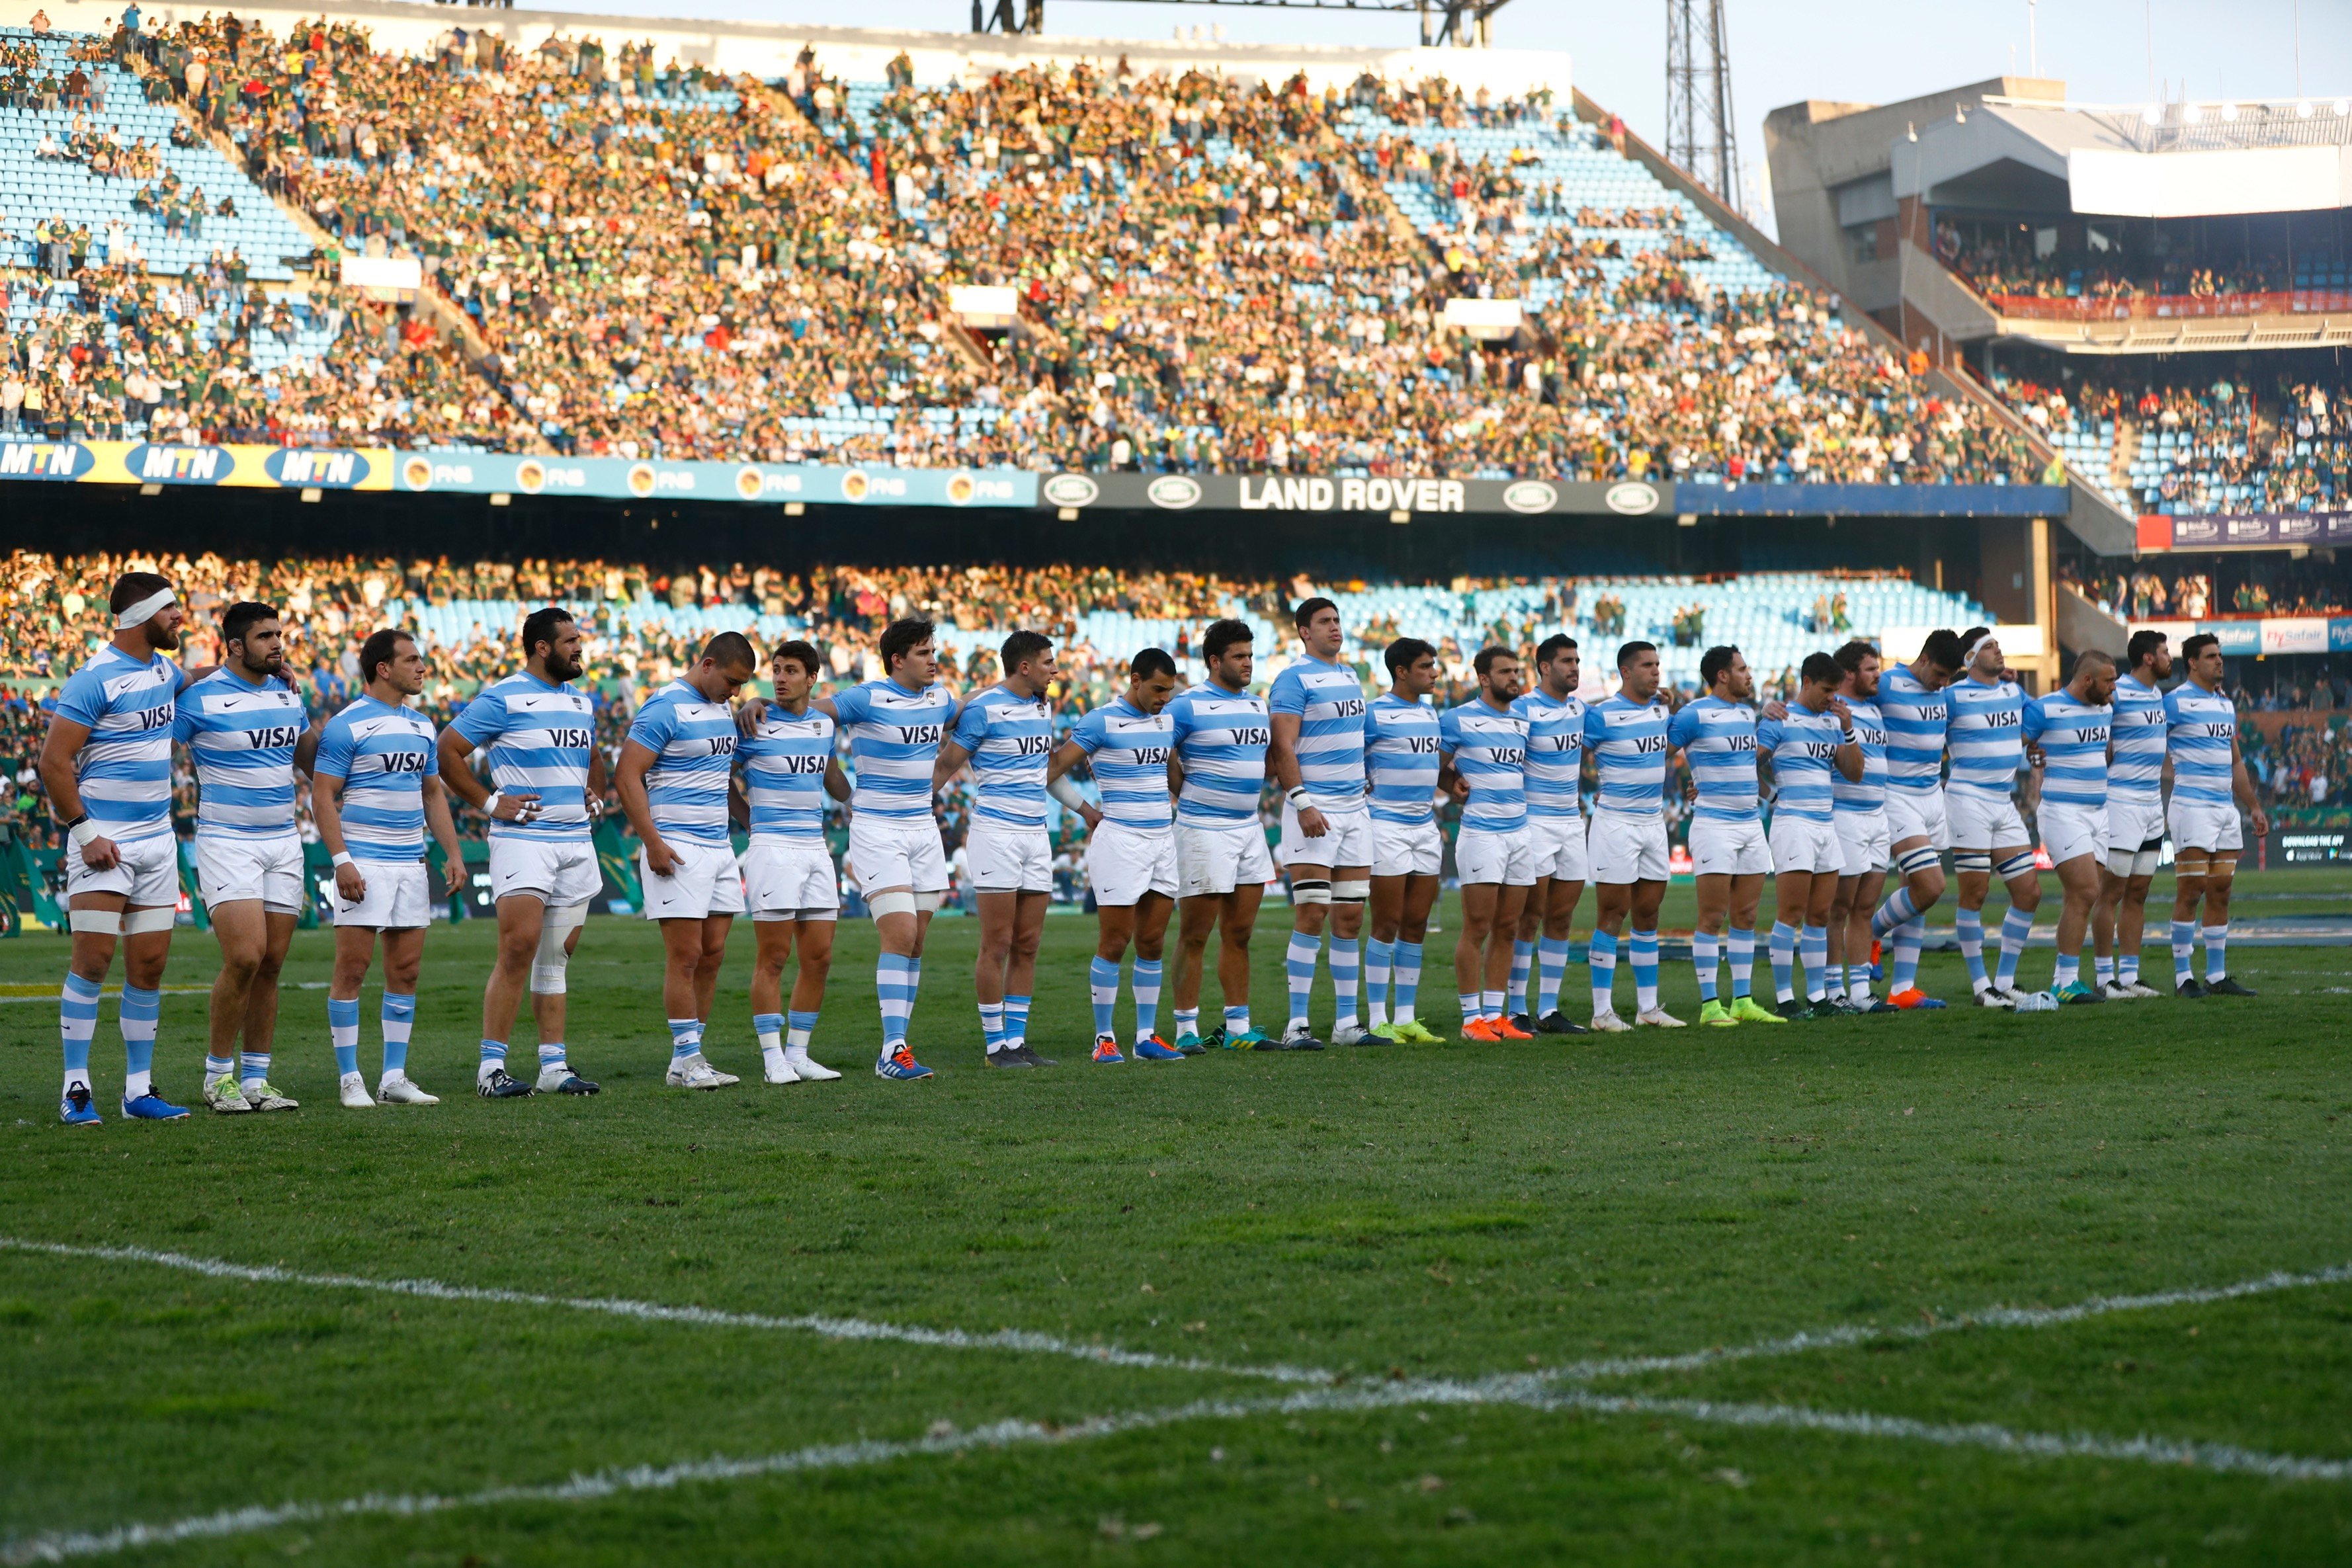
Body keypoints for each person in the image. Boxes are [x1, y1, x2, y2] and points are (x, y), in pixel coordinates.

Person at [38, 571, 200, 1124]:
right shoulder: (94, 678)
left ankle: (137, 1092)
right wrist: (86, 835)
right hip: (103, 841)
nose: (180, 616)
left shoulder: (163, 667)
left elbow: (187, 683)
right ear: (140, 616)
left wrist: (254, 673)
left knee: (149, 967)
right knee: (93, 961)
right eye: (171, 608)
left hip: (158, 842)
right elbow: (52, 763)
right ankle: (77, 1088)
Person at [438, 606, 606, 1098]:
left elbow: (593, 756)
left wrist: (592, 791)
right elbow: (448, 749)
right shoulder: (503, 698)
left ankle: (554, 1066)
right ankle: (491, 1069)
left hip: (576, 841)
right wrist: (491, 802)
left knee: (556, 956)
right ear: (542, 647)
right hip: (525, 841)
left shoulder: (581, 702)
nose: (580, 648)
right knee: (518, 948)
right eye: (571, 640)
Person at [305, 628, 470, 1108]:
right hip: (365, 861)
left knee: (406, 970)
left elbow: (433, 792)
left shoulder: (422, 726)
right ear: (384, 668)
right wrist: (343, 861)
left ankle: (393, 1076)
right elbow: (322, 795)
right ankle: (350, 1077)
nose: (422, 668)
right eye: (413, 660)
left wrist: (453, 853)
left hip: (410, 862)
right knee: (352, 969)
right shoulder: (347, 725)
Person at [176, 602, 309, 1113]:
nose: (277, 644)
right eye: (264, 637)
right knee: (246, 955)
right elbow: (154, 745)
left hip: (283, 840)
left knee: (272, 963)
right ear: (234, 647)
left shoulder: (286, 693)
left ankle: (256, 1080)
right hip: (226, 840)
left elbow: (311, 756)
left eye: (279, 634)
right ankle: (218, 1076)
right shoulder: (198, 699)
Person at [614, 632, 759, 1089]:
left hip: (719, 847)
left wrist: (750, 820)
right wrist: (652, 842)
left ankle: (688, 1059)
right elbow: (626, 774)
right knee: (686, 955)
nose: (735, 692)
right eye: (732, 681)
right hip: (675, 845)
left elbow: (722, 780)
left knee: (713, 954)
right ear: (708, 663)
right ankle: (686, 1056)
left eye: (742, 686)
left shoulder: (723, 709)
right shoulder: (665, 706)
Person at [816, 617, 958, 1079]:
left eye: (933, 650)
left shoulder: (940, 698)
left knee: (915, 942)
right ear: (897, 660)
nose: (933, 659)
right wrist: (836, 778)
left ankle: (899, 1044)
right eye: (922, 652)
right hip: (878, 828)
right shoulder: (867, 696)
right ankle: (891, 1050)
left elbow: (965, 711)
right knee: (899, 934)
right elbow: (810, 715)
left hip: (923, 829)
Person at [1050, 647, 1187, 1063]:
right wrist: (1087, 811)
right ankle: (1104, 1038)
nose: (1164, 697)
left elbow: (1171, 774)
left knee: (1152, 942)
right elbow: (1050, 769)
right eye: (1157, 689)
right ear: (1135, 680)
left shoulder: (1167, 720)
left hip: (1163, 839)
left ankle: (1146, 1037)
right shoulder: (1101, 720)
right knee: (1115, 941)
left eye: (1170, 690)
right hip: (1120, 840)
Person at [736, 640, 850, 1084]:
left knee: (819, 956)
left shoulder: (823, 725)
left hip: (814, 849)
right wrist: (747, 818)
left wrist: (860, 798)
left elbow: (832, 777)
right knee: (774, 957)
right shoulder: (755, 723)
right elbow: (719, 771)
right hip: (772, 848)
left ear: (812, 678)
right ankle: (771, 1059)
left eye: (790, 671)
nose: (780, 678)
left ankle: (798, 1053)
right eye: (776, 670)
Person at [1167, 619, 1281, 1050]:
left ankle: (1237, 1028)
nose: (1248, 663)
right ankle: (1185, 1030)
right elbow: (1163, 754)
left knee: (1240, 933)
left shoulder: (1257, 705)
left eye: (1251, 655)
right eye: (1239, 656)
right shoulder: (1187, 705)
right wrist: (1186, 793)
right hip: (1203, 829)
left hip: (1249, 828)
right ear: (1215, 661)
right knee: (1195, 934)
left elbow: (1265, 761)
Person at [1267, 597, 1371, 1048]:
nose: (1335, 628)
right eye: (1325, 622)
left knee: (1350, 918)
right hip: (1315, 809)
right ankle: (1297, 1025)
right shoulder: (1292, 678)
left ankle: (1347, 1024)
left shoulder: (1350, 675)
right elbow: (1283, 746)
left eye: (1337, 620)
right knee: (1312, 913)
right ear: (1304, 631)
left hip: (1355, 811)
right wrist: (1302, 801)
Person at [1669, 645, 1780, 1028]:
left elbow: (1743, 766)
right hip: (1714, 826)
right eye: (1742, 669)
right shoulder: (1693, 714)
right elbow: (1657, 753)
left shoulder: (1746, 713)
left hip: (1751, 824)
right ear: (1722, 675)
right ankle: (1709, 1005)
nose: (1749, 675)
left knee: (1747, 916)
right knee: (1712, 917)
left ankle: (1743, 1000)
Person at [1756, 653, 1864, 1018]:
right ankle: (1785, 999)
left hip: (1825, 824)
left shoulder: (1832, 723)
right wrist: (1772, 796)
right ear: (1806, 682)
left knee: (1819, 914)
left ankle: (1817, 997)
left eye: (1835, 691)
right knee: (1791, 913)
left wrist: (1848, 729)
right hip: (1794, 825)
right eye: (1825, 690)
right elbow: (1747, 764)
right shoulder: (1780, 719)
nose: (1831, 698)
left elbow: (1854, 773)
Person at [1582, 641, 1682, 1030]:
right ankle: (1601, 1012)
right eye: (1646, 665)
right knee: (1611, 913)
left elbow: (1663, 750)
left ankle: (1648, 1009)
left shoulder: (1661, 709)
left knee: (1649, 914)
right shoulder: (1601, 715)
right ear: (1626, 671)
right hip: (1615, 823)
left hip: (1653, 822)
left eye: (1658, 664)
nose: (1655, 671)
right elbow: (1572, 758)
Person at [1869, 629, 1966, 1009]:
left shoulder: (1945, 691)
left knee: (1917, 896)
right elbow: (1843, 696)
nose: (1943, 683)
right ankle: (1869, 933)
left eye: (1949, 677)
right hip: (1897, 796)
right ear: (1923, 659)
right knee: (1931, 886)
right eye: (1940, 673)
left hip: (1932, 797)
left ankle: (1902, 989)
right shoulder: (1888, 684)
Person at [2164, 634, 2265, 998]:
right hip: (2191, 807)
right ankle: (2183, 978)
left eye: (2220, 656)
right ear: (2192, 662)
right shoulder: (2173, 703)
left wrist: (2252, 805)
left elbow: (2235, 760)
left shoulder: (2225, 705)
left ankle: (2217, 976)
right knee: (2191, 890)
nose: (2219, 662)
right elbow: (2146, 744)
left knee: (2221, 891)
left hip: (2225, 809)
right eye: (2211, 657)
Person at [1441, 646, 1534, 1041]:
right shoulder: (1458, 719)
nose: (1514, 678)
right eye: (1505, 672)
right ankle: (1469, 1020)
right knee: (1477, 926)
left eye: (1516, 671)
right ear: (1483, 678)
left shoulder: (1523, 720)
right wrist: (1450, 783)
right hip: (1482, 833)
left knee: (1509, 927)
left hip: (1520, 832)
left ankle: (1496, 1016)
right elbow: (1434, 766)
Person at [1945, 630, 2040, 1008]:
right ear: (1969, 658)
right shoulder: (1952, 696)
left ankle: (2005, 981)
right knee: (1976, 893)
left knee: (2029, 893)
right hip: (1967, 800)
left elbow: (2038, 722)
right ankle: (1980, 985)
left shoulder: (2015, 693)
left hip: (2003, 802)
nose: (1998, 650)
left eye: (1998, 645)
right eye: (1989, 646)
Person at [1363, 637, 1446, 1044]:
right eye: (1426, 666)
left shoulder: (1432, 715)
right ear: (1402, 671)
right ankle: (1378, 1019)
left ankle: (1406, 1018)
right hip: (1386, 826)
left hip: (1425, 827)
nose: (1434, 672)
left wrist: (1455, 781)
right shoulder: (1374, 713)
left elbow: (1434, 765)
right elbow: (1349, 755)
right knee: (1387, 923)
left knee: (1416, 924)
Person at [2024, 649, 2118, 1005]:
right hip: (2063, 812)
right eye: (2108, 681)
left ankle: (2066, 979)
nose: (2114, 689)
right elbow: (2014, 742)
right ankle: (2065, 981)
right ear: (2087, 680)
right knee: (2085, 892)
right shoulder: (2045, 709)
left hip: (2099, 813)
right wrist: (2031, 754)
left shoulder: (2105, 707)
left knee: (2079, 897)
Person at [1509, 634, 1590, 1035]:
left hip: (1572, 824)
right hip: (1534, 823)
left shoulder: (1580, 708)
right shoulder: (1522, 709)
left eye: (1577, 661)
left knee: (1561, 917)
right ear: (1544, 668)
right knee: (1529, 917)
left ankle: (1549, 1009)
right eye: (1566, 662)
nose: (1575, 668)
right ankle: (1515, 1008)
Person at [2093, 630, 2171, 1000]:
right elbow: (2091, 728)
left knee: (2138, 893)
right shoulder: (2118, 693)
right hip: (2121, 802)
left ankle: (2130, 976)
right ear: (2148, 658)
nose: (2170, 657)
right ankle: (2103, 977)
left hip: (2152, 805)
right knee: (2111, 891)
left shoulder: (2158, 694)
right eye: (2165, 652)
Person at [1826, 640, 1895, 1013]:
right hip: (1845, 816)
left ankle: (1861, 991)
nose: (1878, 676)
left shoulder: (1875, 709)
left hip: (1877, 816)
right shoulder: (1833, 709)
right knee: (1839, 907)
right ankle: (1834, 989)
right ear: (1849, 674)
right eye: (1870, 669)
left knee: (1865, 908)